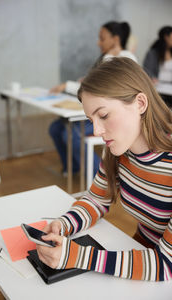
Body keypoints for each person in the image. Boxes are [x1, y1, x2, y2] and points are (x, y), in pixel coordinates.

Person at [37, 57, 172, 281]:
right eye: (92, 120)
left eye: (104, 115)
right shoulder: (117, 150)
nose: (97, 131)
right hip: (142, 251)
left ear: (140, 103)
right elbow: (96, 200)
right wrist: (63, 224)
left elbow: (166, 265)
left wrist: (79, 256)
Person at [49, 21, 137, 177]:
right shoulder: (107, 58)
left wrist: (67, 85)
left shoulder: (124, 59)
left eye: (102, 38)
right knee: (56, 127)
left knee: (71, 133)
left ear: (115, 39)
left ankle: (101, 177)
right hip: (97, 112)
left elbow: (99, 92)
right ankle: (74, 167)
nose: (98, 43)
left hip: (107, 116)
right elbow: (90, 86)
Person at [143, 26, 172, 107]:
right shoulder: (153, 53)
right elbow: (146, 69)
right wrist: (152, 78)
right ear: (166, 37)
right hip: (157, 86)